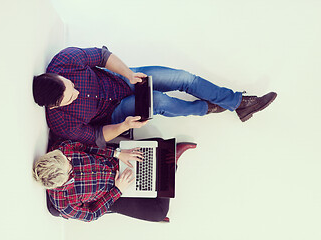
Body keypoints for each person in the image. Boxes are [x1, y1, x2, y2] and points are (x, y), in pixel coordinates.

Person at [33, 46, 277, 148]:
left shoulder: (65, 61)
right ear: (55, 107)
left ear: (56, 75)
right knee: (159, 101)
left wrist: (128, 73)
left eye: (71, 87)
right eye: (70, 99)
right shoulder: (59, 121)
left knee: (182, 78)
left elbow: (101, 56)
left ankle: (238, 103)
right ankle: (205, 108)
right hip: (116, 112)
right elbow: (96, 135)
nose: (75, 93)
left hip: (121, 79)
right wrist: (123, 126)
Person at [32, 139, 195, 222]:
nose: (69, 159)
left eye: (66, 158)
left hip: (113, 161)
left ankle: (168, 160)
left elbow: (86, 147)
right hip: (112, 193)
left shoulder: (61, 150)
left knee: (158, 144)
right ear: (63, 180)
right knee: (159, 213)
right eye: (69, 164)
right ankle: (171, 165)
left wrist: (117, 154)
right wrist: (117, 190)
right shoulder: (64, 204)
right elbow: (91, 215)